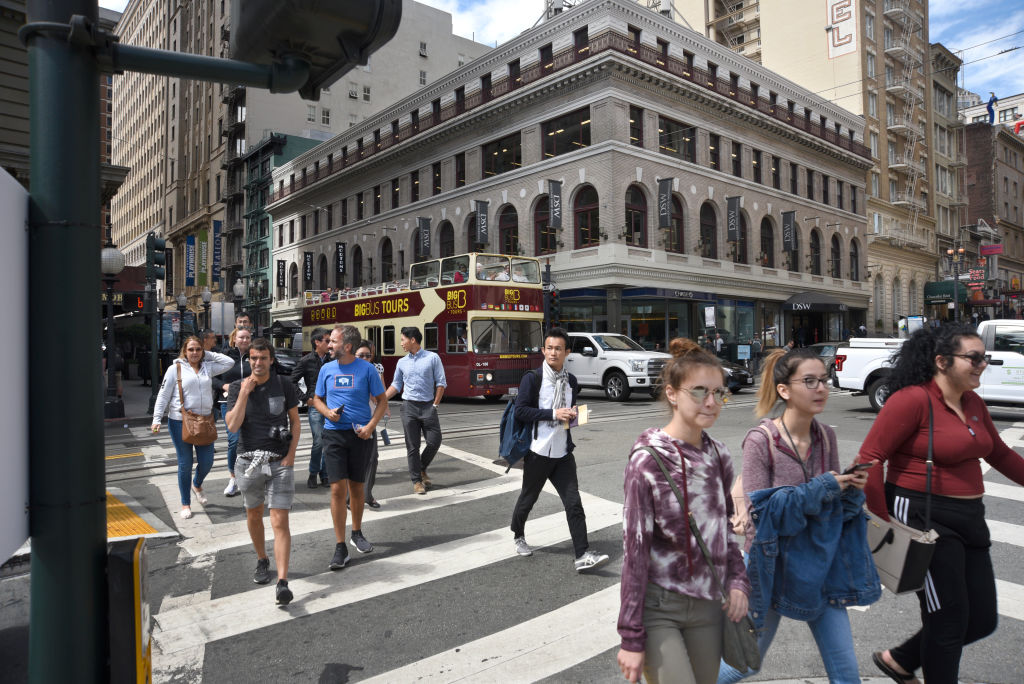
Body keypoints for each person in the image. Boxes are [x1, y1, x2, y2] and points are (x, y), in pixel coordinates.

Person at [856, 324, 1024, 684]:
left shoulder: (973, 403)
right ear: (942, 362)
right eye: (974, 358)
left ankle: (901, 660)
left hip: (969, 516)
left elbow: (1000, 453)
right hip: (922, 516)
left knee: (981, 619)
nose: (982, 364)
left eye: (986, 358)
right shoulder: (913, 400)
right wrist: (886, 524)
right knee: (947, 618)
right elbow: (869, 459)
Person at [717, 348, 878, 684]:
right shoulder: (761, 441)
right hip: (770, 566)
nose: (821, 388)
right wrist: (823, 488)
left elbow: (832, 511)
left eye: (824, 379)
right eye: (809, 381)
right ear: (784, 390)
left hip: (819, 562)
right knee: (744, 664)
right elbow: (762, 517)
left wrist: (850, 489)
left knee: (847, 673)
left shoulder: (826, 436)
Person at [617, 338, 749, 684]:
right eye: (699, 391)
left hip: (709, 604)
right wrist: (630, 636)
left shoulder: (719, 455)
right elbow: (635, 551)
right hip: (661, 607)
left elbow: (723, 532)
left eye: (719, 392)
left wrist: (738, 581)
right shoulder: (647, 461)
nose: (712, 402)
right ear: (673, 394)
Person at [510, 327, 610, 574]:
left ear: (567, 352)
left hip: (563, 453)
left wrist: (574, 416)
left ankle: (582, 555)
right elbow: (521, 411)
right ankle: (518, 533)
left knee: (574, 503)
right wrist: (555, 413)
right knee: (528, 498)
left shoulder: (571, 382)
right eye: (549, 348)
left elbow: (567, 414)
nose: (553, 353)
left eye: (558, 349)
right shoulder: (532, 379)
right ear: (543, 350)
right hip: (538, 452)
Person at [224, 339, 301, 605]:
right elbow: (232, 427)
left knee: (280, 521)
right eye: (254, 358)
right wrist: (245, 392)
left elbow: (295, 421)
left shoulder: (284, 385)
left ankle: (282, 582)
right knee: (254, 513)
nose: (258, 363)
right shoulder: (236, 387)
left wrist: (290, 456)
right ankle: (261, 558)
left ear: (271, 359)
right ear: (249, 360)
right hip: (248, 462)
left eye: (263, 358)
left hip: (280, 462)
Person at [311, 325, 388, 571]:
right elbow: (317, 399)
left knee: (357, 487)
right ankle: (340, 545)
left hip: (360, 435)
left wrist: (371, 427)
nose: (328, 344)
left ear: (346, 346)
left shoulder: (367, 370)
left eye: (332, 341)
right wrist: (327, 413)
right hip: (333, 435)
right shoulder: (326, 369)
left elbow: (382, 400)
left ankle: (356, 532)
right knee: (336, 489)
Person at [152, 336, 234, 519]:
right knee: (185, 463)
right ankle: (185, 503)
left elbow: (229, 362)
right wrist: (157, 418)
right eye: (191, 350)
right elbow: (163, 395)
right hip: (180, 421)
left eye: (198, 349)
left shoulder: (208, 367)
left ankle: (197, 484)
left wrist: (208, 353)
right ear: (184, 351)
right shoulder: (175, 369)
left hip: (204, 421)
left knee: (207, 462)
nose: (195, 353)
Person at [384, 326, 447, 495]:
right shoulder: (401, 362)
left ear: (413, 340)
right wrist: (381, 399)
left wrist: (435, 405)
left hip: (428, 406)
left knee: (435, 441)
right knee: (413, 446)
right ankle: (417, 481)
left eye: (403, 339)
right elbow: (396, 385)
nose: (401, 343)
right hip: (408, 407)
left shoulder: (432, 358)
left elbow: (441, 383)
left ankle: (421, 467)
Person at [291, 327, 331, 489]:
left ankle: (325, 474)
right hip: (315, 405)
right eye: (327, 341)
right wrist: (305, 398)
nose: (330, 344)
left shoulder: (333, 360)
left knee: (328, 441)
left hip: (332, 405)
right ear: (317, 342)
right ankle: (313, 473)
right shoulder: (306, 360)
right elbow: (292, 381)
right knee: (319, 441)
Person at [216, 327, 252, 497]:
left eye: (247, 337)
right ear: (234, 339)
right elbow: (210, 376)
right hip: (228, 402)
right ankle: (233, 478)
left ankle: (249, 475)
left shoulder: (254, 355)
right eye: (241, 337)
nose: (244, 340)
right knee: (234, 440)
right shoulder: (225, 356)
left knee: (252, 440)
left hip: (252, 403)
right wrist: (223, 386)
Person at [353, 340, 386, 509]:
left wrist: (383, 406)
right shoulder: (347, 371)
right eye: (361, 355)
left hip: (370, 419)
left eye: (368, 355)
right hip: (351, 422)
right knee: (352, 460)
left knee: (372, 458)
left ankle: (367, 494)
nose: (365, 358)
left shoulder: (375, 370)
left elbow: (381, 394)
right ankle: (350, 498)